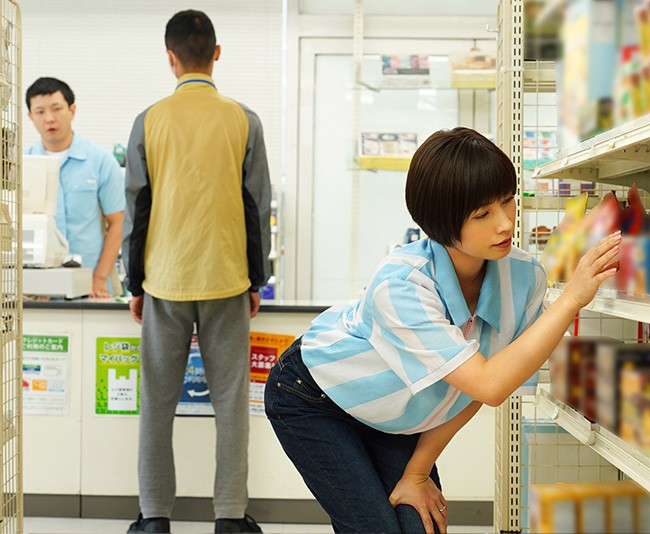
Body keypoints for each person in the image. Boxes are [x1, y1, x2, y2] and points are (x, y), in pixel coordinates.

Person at [264, 127, 620, 534]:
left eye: (508, 201)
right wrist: (572, 299)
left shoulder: (524, 279)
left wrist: (417, 474)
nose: (505, 223)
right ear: (439, 225)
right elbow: (488, 384)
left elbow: (476, 388)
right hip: (313, 395)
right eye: (482, 214)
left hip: (395, 410)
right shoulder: (401, 285)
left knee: (421, 527)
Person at [121, 9, 271, 534]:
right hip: (227, 279)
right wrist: (256, 278)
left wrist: (132, 283)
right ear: (217, 53)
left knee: (156, 404)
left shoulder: (149, 120)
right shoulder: (243, 119)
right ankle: (230, 517)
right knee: (230, 403)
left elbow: (139, 207)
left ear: (170, 57)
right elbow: (256, 205)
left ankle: (154, 516)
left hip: (164, 279)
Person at [25, 77, 125, 297]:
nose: (49, 118)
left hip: (93, 286)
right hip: (39, 290)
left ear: (72, 110)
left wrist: (99, 278)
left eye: (57, 109)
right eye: (40, 112)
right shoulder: (23, 165)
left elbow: (118, 223)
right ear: (30, 116)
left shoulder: (100, 161)